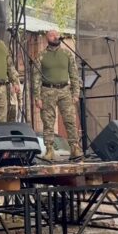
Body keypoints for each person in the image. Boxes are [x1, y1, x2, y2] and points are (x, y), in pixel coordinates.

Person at [33, 30, 82, 159]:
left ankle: (74, 147)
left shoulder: (67, 54)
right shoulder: (41, 56)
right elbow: (36, 78)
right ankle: (49, 149)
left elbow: (74, 75)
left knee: (70, 120)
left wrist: (76, 93)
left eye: (57, 35)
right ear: (47, 38)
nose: (55, 37)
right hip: (47, 91)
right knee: (48, 122)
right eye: (52, 35)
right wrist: (37, 97)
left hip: (65, 90)